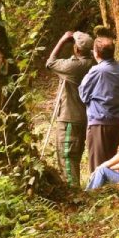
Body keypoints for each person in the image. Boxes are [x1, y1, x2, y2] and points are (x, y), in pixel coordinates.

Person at [46, 30, 94, 188]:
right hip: (83, 117)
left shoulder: (75, 66)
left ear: (76, 49)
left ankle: (74, 194)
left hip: (69, 118)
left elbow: (50, 63)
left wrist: (61, 40)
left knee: (67, 157)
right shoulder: (93, 63)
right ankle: (75, 189)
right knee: (75, 157)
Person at [78, 35, 119, 171]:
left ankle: (97, 191)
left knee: (98, 167)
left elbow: (83, 95)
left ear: (96, 53)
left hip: (99, 124)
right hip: (118, 123)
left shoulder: (97, 71)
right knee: (110, 163)